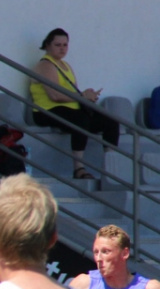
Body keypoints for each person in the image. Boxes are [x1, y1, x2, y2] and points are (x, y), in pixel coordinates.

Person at [29, 28, 120, 180]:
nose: (62, 48)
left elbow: (73, 95)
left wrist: (86, 96)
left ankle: (111, 169)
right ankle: (79, 169)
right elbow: (55, 95)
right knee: (80, 120)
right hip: (46, 110)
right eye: (58, 45)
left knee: (110, 122)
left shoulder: (66, 65)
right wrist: (82, 96)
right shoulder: (45, 65)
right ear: (47, 46)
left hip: (69, 109)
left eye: (65, 45)